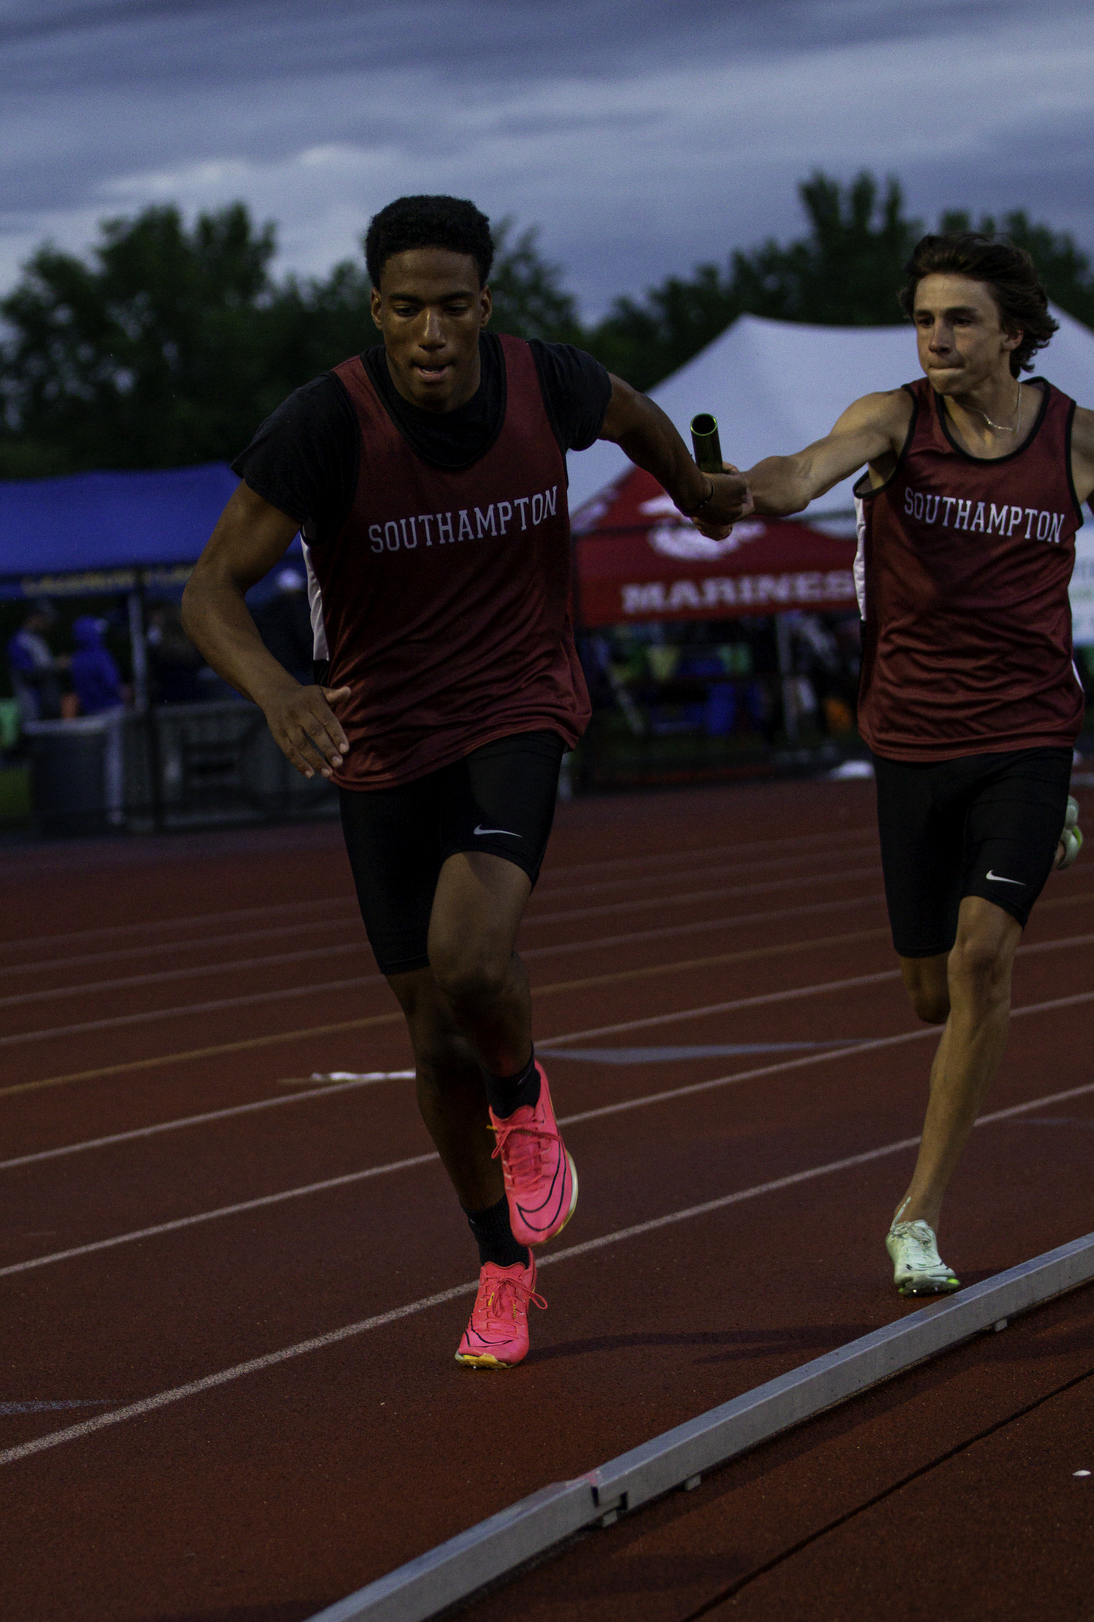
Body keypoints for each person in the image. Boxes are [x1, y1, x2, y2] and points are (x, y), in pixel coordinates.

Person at [183, 194, 746, 1368]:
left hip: (517, 703)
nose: (430, 334)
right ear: (376, 312)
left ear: (484, 306)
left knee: (473, 957)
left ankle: (525, 1096)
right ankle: (500, 1263)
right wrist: (282, 691)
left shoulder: (548, 383)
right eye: (406, 310)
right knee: (431, 1034)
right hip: (379, 738)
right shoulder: (322, 425)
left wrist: (691, 492)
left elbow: (638, 419)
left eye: (452, 307)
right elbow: (208, 594)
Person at [742, 230, 1094, 1298]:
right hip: (910, 739)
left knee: (981, 961)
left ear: (1013, 332)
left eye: (959, 319)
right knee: (927, 995)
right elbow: (799, 473)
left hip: (1029, 732)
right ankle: (1043, 834)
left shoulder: (1082, 438)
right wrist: (747, 489)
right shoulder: (891, 419)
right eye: (923, 319)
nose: (937, 338)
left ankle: (917, 1215)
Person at [8, 605, 65, 723]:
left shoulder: (37, 639)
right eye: (45, 619)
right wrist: (55, 665)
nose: (48, 624)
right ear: (35, 618)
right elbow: (26, 674)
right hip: (34, 706)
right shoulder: (20, 640)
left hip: (48, 705)